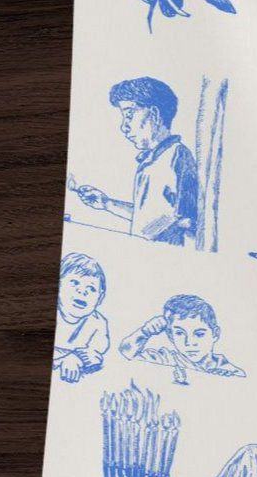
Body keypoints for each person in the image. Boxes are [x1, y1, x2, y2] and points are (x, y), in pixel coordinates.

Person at [72, 77, 199, 245]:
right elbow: (149, 217)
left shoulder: (177, 156)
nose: (124, 127)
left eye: (129, 115)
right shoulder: (152, 161)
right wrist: (107, 203)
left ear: (154, 114)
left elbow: (188, 222)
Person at [119, 293, 245, 383]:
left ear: (215, 334)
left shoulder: (226, 370)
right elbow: (126, 352)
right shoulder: (166, 359)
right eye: (180, 333)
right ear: (170, 336)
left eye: (199, 334)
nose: (189, 343)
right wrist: (145, 331)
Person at [53, 253, 109, 384]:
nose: (83, 291)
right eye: (74, 282)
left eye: (91, 288)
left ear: (100, 298)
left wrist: (76, 359)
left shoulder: (97, 323)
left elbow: (95, 353)